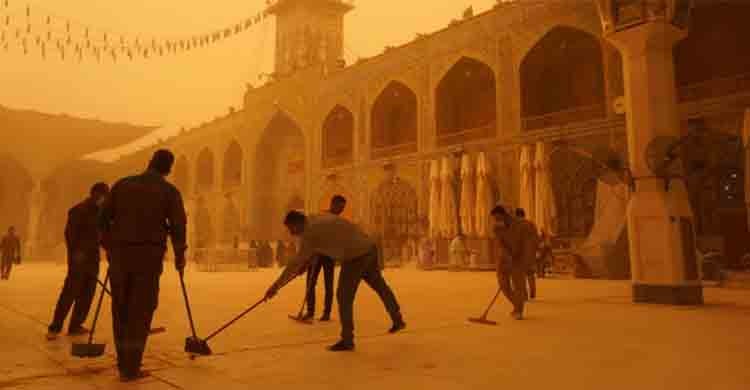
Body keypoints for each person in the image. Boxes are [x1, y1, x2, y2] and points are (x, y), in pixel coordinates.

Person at [99, 149, 187, 382]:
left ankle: (123, 363)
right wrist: (180, 256)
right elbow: (178, 225)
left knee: (121, 308)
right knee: (141, 310)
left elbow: (102, 219)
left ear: (149, 163)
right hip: (148, 259)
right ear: (168, 169)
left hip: (121, 257)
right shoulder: (168, 191)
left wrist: (110, 247)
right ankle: (131, 367)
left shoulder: (122, 185)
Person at [265, 211, 405, 351]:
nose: (291, 233)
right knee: (380, 286)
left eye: (291, 228)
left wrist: (275, 287)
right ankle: (397, 318)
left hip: (354, 256)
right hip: (368, 247)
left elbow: (294, 263)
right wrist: (306, 265)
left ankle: (347, 339)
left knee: (343, 296)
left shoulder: (309, 233)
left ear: (297, 223)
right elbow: (318, 247)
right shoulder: (315, 218)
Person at [46, 183, 110, 340]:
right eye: (101, 196)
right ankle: (56, 325)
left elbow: (102, 236)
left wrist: (110, 249)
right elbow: (70, 234)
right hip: (78, 259)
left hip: (93, 259)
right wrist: (76, 253)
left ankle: (76, 325)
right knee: (70, 291)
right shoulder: (79, 210)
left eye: (105, 197)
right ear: (94, 194)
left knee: (87, 293)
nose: (102, 199)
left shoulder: (101, 213)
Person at [302, 195, 346, 321]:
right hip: (316, 254)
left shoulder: (339, 222)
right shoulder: (321, 217)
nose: (341, 210)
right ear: (333, 204)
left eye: (343, 208)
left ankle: (326, 312)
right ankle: (310, 311)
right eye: (340, 207)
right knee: (310, 283)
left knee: (329, 285)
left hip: (329, 256)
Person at [493, 205, 538, 320]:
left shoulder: (524, 225)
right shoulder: (497, 227)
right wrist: (507, 255)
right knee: (503, 285)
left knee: (518, 285)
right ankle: (516, 304)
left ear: (505, 215)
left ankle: (519, 309)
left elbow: (530, 243)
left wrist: (525, 258)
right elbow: (500, 243)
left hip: (519, 259)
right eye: (495, 219)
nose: (497, 221)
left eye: (498, 218)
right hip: (504, 259)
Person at [515, 208, 538, 299]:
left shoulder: (516, 225)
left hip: (520, 253)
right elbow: (536, 238)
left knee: (521, 275)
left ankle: (524, 294)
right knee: (530, 272)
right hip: (530, 252)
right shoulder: (531, 224)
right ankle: (533, 292)